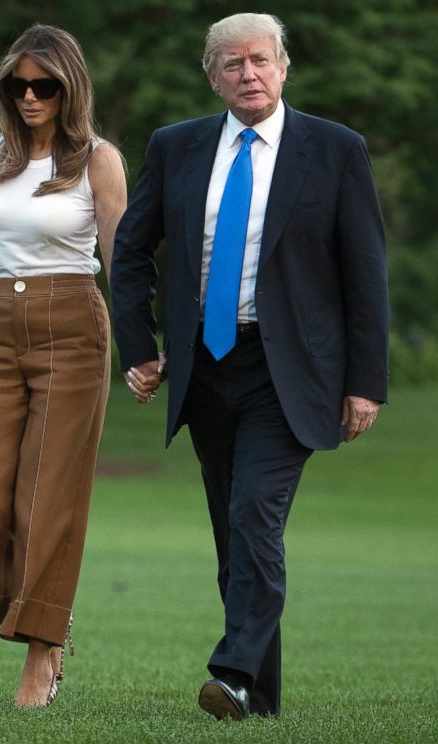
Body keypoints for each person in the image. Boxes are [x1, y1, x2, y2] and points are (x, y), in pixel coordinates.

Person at [111, 13, 388, 719]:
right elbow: (132, 249)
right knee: (233, 532)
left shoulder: (334, 150)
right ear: (212, 76)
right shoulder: (176, 147)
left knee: (254, 514)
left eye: (260, 61)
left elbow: (365, 274)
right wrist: (138, 347)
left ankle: (230, 671)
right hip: (206, 366)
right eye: (231, 65)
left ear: (284, 66)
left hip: (288, 370)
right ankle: (256, 697)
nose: (248, 75)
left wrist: (365, 383)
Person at [0, 24, 127, 708]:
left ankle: (42, 653)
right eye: (19, 85)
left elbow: (118, 261)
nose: (31, 95)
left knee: (46, 501)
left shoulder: (97, 160)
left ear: (70, 88)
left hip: (72, 326)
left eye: (45, 85)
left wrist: (145, 349)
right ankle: (45, 613)